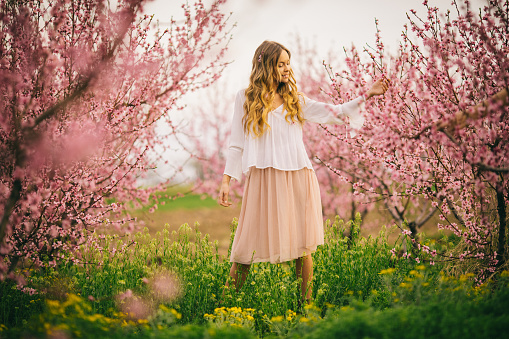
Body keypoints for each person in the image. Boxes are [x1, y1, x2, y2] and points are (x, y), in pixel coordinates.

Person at [218, 40, 389, 304]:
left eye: (288, 63)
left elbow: (337, 112)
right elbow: (236, 142)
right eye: (281, 64)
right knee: (244, 249)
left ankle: (306, 308)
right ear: (266, 65)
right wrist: (226, 180)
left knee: (302, 248)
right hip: (261, 180)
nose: (287, 69)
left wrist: (368, 94)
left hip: (297, 177)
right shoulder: (246, 98)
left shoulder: (295, 100)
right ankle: (224, 306)